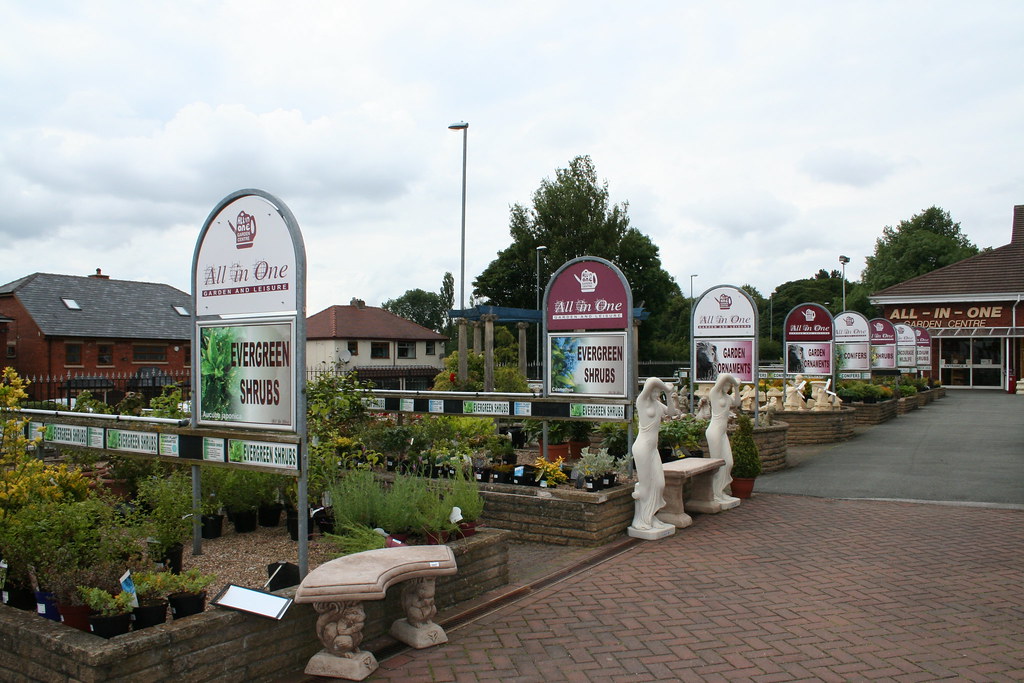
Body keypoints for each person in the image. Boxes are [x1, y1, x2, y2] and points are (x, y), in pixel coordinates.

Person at [630, 376, 678, 532]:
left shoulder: (658, 404)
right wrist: (666, 387)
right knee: (645, 486)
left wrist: (669, 396)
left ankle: (651, 515)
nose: (657, 393)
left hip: (652, 449)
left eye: (659, 391)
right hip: (642, 448)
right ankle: (640, 519)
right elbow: (651, 382)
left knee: (659, 484)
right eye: (655, 390)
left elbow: (672, 413)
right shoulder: (642, 401)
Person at [705, 372, 741, 506]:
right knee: (717, 464)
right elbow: (725, 376)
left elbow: (737, 402)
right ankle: (714, 494)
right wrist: (735, 381)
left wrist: (736, 388)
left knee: (729, 462)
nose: (727, 386)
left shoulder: (727, 397)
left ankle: (720, 491)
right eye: (726, 384)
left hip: (722, 433)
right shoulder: (714, 393)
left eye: (729, 385)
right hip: (714, 432)